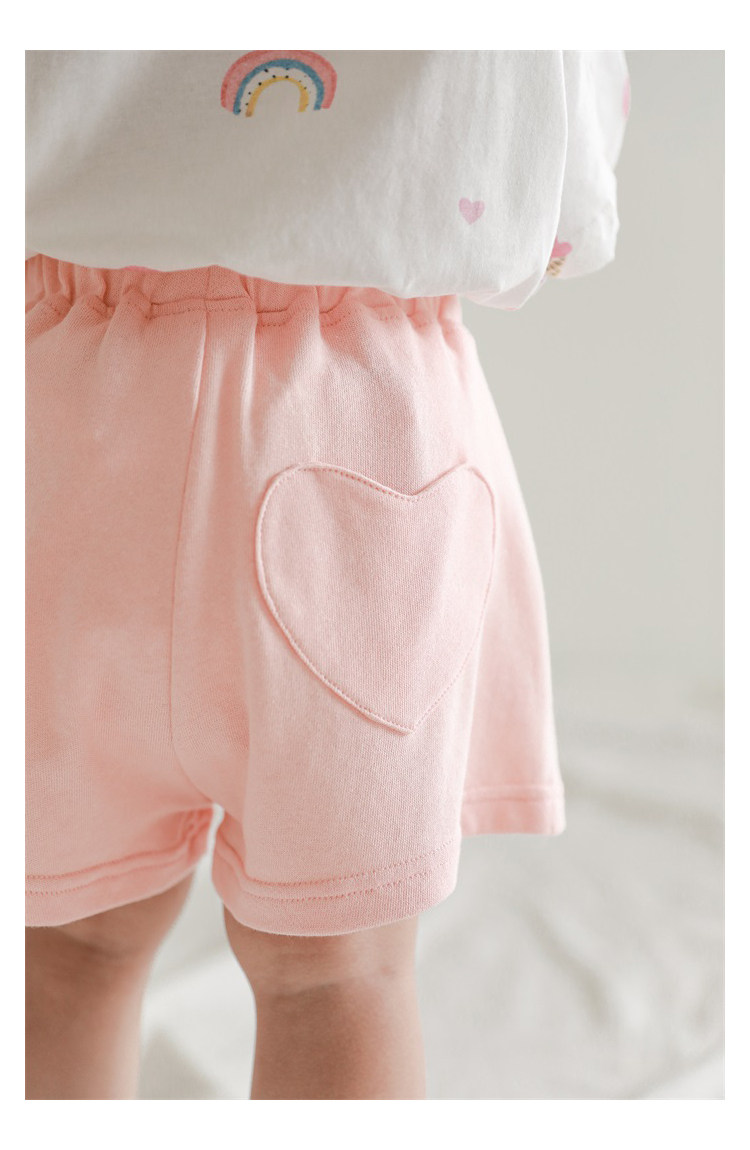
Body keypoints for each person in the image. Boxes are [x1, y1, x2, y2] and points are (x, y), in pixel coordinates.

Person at [25, 49, 630, 1100]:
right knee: (336, 976)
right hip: (365, 408)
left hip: (70, 400)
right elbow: (568, 193)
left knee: (66, 945)